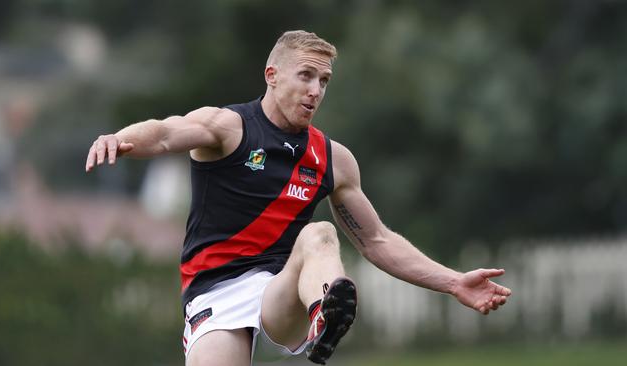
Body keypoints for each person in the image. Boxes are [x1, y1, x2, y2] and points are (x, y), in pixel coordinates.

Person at [85, 30, 512, 366]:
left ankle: (324, 318)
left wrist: (454, 281)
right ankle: (321, 314)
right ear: (272, 75)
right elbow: (162, 133)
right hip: (214, 290)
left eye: (324, 80)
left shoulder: (333, 159)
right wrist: (119, 139)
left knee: (320, 233)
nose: (316, 90)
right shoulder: (227, 127)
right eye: (306, 76)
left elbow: (377, 241)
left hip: (282, 291)